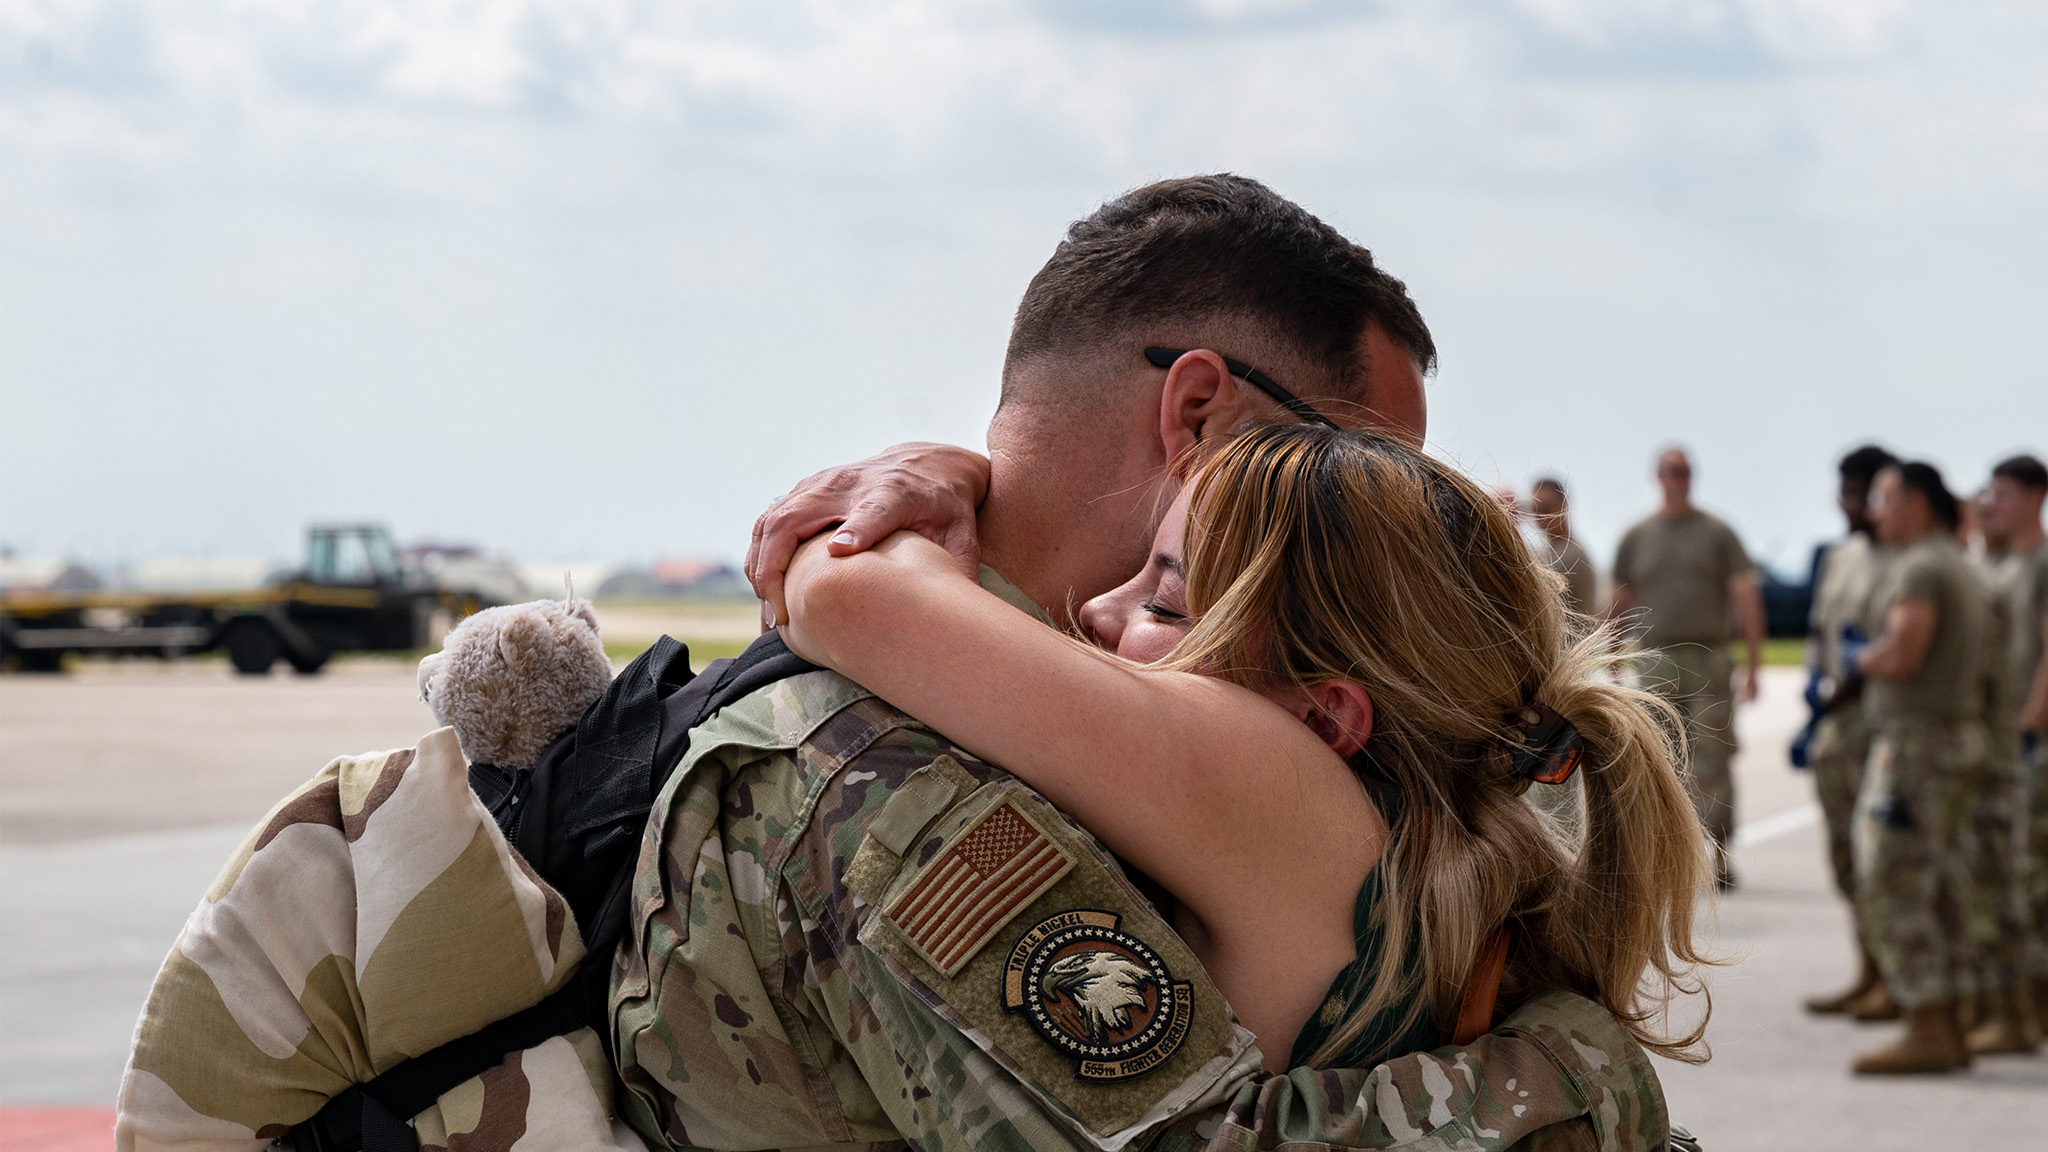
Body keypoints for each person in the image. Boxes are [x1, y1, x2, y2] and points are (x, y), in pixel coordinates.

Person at [615, 176, 1689, 1152]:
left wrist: (910, 497)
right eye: (1349, 451)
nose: (1380, 508)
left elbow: (856, 590)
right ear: (1196, 414)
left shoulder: (1195, 749)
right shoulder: (891, 768)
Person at [775, 423, 1712, 1079]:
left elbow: (848, 592)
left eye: (1165, 604)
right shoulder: (1432, 839)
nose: (1098, 611)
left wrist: (935, 468)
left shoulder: (1281, 788)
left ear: (1329, 717)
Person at [1847, 460, 1989, 1075]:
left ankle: (1929, 1020)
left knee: (1889, 878)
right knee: (1939, 881)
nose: (1876, 509)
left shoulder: (1921, 567)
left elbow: (1904, 652)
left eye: (1886, 498)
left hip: (1917, 745)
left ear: (1919, 504)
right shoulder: (1954, 560)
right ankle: (1952, 1015)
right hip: (1948, 739)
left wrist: (1862, 658)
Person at [1609, 448, 1765, 888]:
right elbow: (1620, 599)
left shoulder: (1717, 533)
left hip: (1709, 660)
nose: (1680, 480)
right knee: (1660, 759)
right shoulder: (1637, 536)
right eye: (1673, 472)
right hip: (1656, 659)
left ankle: (1717, 854)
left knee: (1711, 758)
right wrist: (1612, 656)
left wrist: (1753, 665)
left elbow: (1746, 594)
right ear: (1658, 476)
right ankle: (1664, 857)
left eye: (1686, 473)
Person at [1801, 445, 1899, 1019]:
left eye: (1862, 491)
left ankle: (1897, 978)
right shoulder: (1841, 556)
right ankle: (1868, 969)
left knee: (1881, 858)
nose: (1851, 502)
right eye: (1845, 489)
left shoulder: (1900, 561)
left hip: (1877, 722)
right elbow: (1823, 632)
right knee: (1844, 855)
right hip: (1835, 720)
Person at [1976, 452, 2048, 1047]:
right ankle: (2015, 1005)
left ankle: (2030, 1008)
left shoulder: (2043, 563)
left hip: (2032, 740)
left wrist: (2030, 723)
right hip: (1999, 738)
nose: (1989, 503)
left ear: (2035, 496)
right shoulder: (1998, 565)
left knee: (2029, 876)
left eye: (2001, 493)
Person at [1529, 477, 1598, 618]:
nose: (1540, 516)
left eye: (1546, 508)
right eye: (1534, 509)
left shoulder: (1572, 555)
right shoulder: (1545, 551)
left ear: (1563, 506)